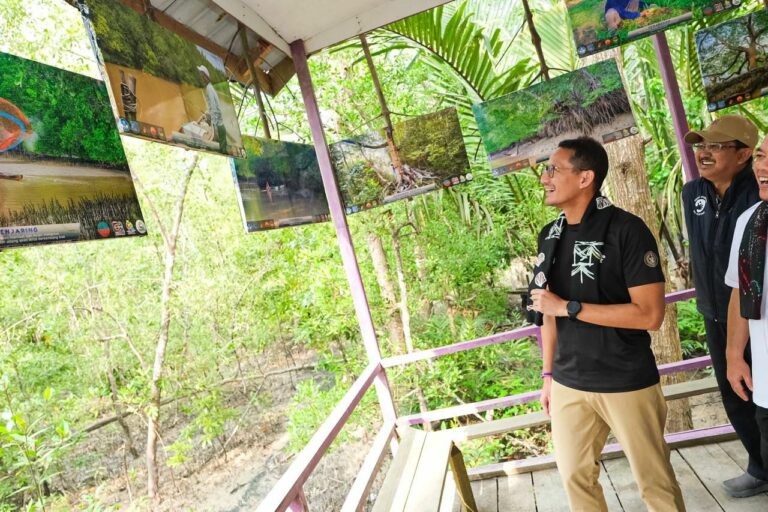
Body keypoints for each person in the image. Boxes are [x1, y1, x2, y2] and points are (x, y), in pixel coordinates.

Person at [527, 136, 685, 511]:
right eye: (545, 169)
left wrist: (570, 307)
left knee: (655, 483)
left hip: (625, 379)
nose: (544, 177)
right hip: (568, 383)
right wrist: (548, 375)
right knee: (575, 479)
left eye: (554, 169)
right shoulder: (549, 235)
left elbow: (650, 314)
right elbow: (546, 312)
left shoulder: (627, 230)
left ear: (586, 178)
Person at [682, 115, 767, 497]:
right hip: (716, 312)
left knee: (761, 396)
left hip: (755, 316)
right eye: (701, 146)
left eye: (716, 146)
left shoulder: (758, 195)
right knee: (735, 394)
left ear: (744, 154)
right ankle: (759, 465)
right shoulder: (692, 194)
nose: (704, 154)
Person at [724, 134, 768, 498]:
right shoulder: (751, 221)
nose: (763, 168)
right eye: (762, 157)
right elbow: (740, 290)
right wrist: (734, 355)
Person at [197, 64, 228, 154]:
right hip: (220, 125)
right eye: (200, 75)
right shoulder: (210, 88)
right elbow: (213, 108)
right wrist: (208, 114)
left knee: (221, 151)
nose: (201, 77)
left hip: (219, 126)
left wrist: (213, 125)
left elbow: (214, 109)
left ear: (206, 77)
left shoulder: (209, 89)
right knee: (222, 149)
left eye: (202, 75)